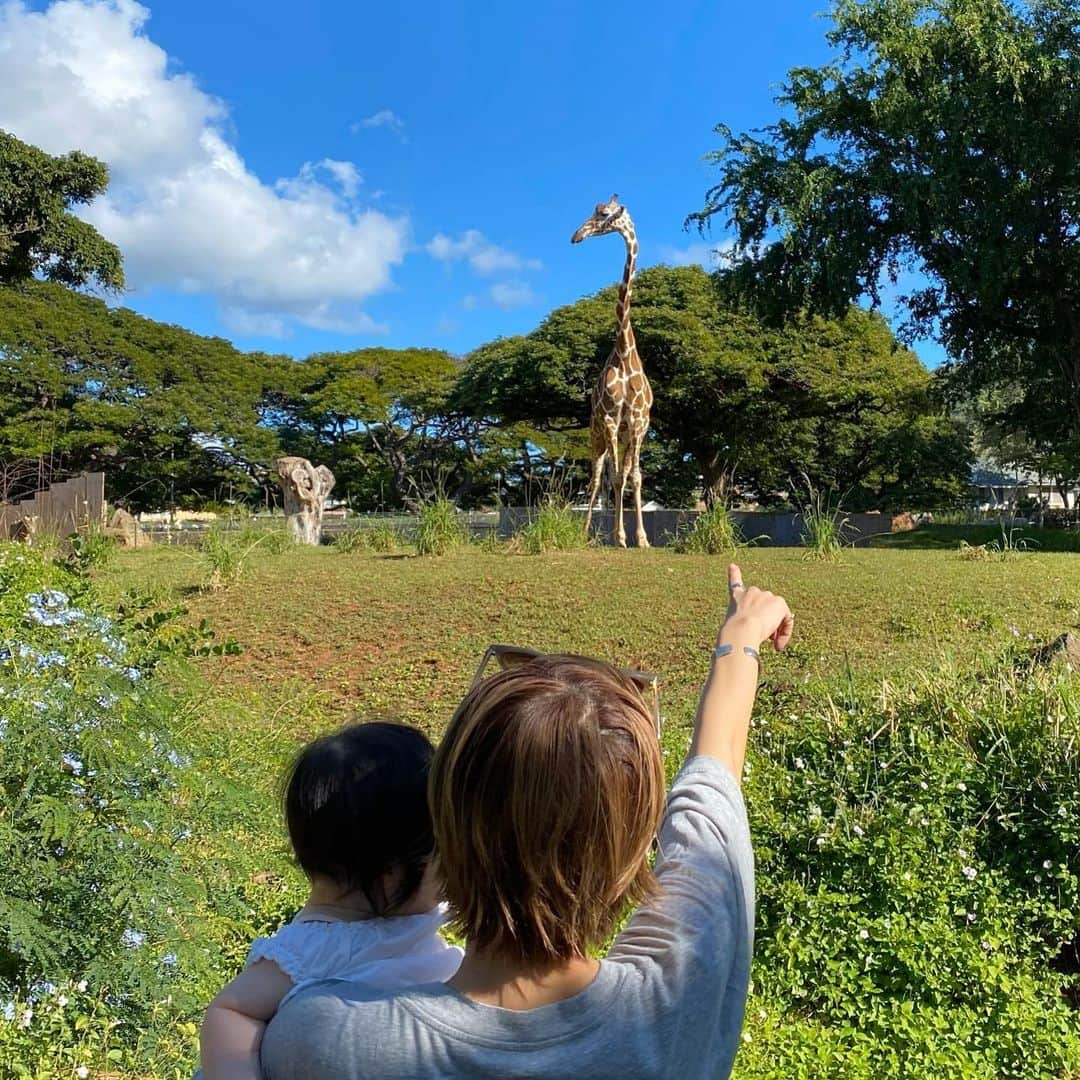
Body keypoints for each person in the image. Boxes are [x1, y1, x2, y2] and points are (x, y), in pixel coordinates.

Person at [261, 563, 793, 1079]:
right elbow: (712, 789)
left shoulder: (321, 1038)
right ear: (633, 849)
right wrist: (739, 643)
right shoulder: (676, 1008)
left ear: (437, 822)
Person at [199, 722, 463, 1080]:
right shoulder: (315, 949)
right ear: (390, 871)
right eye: (442, 852)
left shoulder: (410, 909)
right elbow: (230, 1012)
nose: (455, 867)